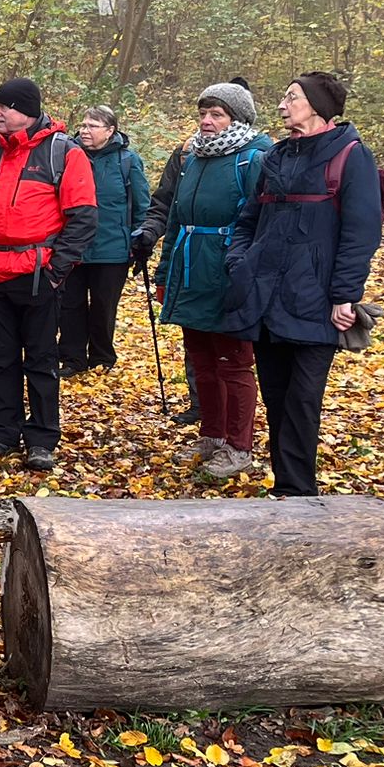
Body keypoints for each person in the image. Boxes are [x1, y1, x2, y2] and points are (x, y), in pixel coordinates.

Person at [224, 72, 383, 498]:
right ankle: (285, 491)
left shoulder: (351, 155)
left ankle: (298, 494)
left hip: (315, 301)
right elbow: (248, 220)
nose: (282, 105)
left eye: (291, 97)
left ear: (317, 106)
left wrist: (344, 295)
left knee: (303, 399)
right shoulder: (275, 156)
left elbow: (362, 232)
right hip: (264, 297)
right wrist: (239, 263)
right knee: (276, 397)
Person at [131, 84, 272, 479]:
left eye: (217, 114)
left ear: (237, 119)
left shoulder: (255, 158)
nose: (207, 121)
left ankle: (239, 446)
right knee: (201, 360)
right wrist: (165, 275)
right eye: (203, 114)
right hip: (191, 270)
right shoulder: (192, 157)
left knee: (233, 362)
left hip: (228, 273)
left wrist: (246, 276)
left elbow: (262, 225)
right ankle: (212, 435)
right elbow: (176, 218)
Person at [0, 78, 96, 472]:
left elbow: (83, 217)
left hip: (38, 274)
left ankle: (41, 440)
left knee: (40, 359)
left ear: (27, 111)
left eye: (5, 107)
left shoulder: (64, 153)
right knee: (0, 359)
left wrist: (55, 270)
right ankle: (2, 433)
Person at [57, 105, 148, 379]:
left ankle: (102, 357)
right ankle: (72, 358)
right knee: (69, 305)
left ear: (110, 131)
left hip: (112, 249)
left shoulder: (127, 161)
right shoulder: (67, 156)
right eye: (84, 125)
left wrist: (139, 242)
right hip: (73, 247)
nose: (85, 130)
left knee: (103, 306)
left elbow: (141, 206)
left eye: (92, 126)